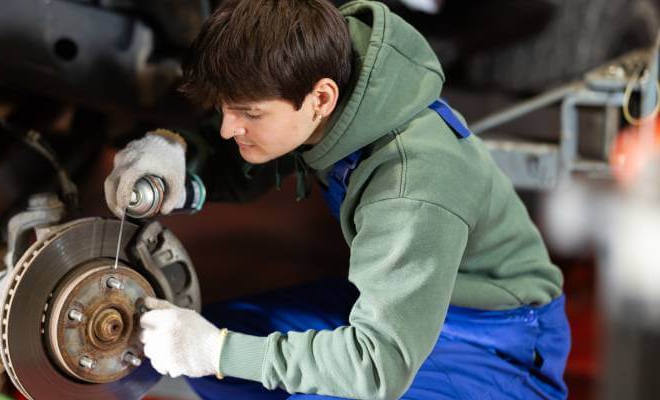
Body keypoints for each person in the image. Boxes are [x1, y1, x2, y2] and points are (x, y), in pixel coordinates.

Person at [104, 0, 571, 399]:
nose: (228, 128)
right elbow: (258, 150)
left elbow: (377, 366)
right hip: (411, 300)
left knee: (235, 357)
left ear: (320, 98)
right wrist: (178, 156)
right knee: (221, 334)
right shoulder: (331, 76)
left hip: (497, 341)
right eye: (224, 109)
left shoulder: (412, 184)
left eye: (248, 113)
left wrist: (217, 351)